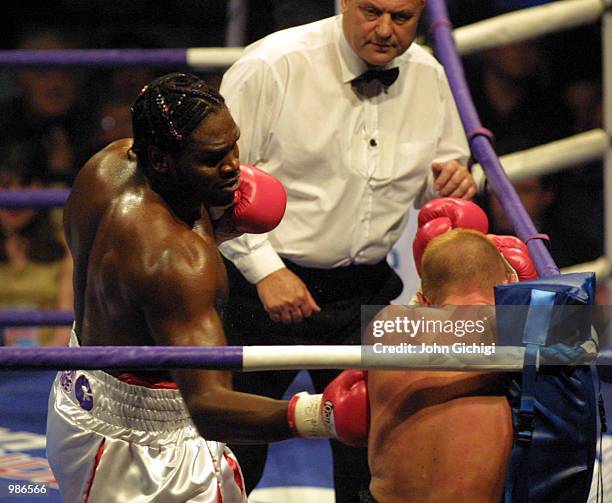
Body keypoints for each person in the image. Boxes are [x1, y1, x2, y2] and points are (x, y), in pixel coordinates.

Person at [45, 72, 367, 503]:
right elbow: (210, 407)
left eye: (233, 145)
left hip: (79, 396)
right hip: (148, 450)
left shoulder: (106, 165)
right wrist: (318, 414)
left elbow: (126, 276)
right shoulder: (178, 260)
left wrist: (211, 226)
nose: (234, 164)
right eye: (212, 157)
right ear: (161, 160)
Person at [218, 0, 476, 498]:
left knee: (372, 452)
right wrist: (264, 268)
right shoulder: (272, 65)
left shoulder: (428, 75)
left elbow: (444, 174)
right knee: (235, 447)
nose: (384, 30)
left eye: (401, 18)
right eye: (371, 12)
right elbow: (215, 184)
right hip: (261, 287)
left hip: (366, 290)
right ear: (342, 4)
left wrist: (456, 180)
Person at [365, 228, 517, 502]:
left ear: (423, 297)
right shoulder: (511, 330)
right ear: (506, 282)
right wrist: (522, 289)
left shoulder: (385, 322)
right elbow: (584, 329)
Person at [0, 161, 73, 347]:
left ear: (41, 187)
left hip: (48, 362)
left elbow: (67, 327)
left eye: (24, 184)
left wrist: (44, 363)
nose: (15, 196)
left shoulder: (64, 245)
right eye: (6, 185)